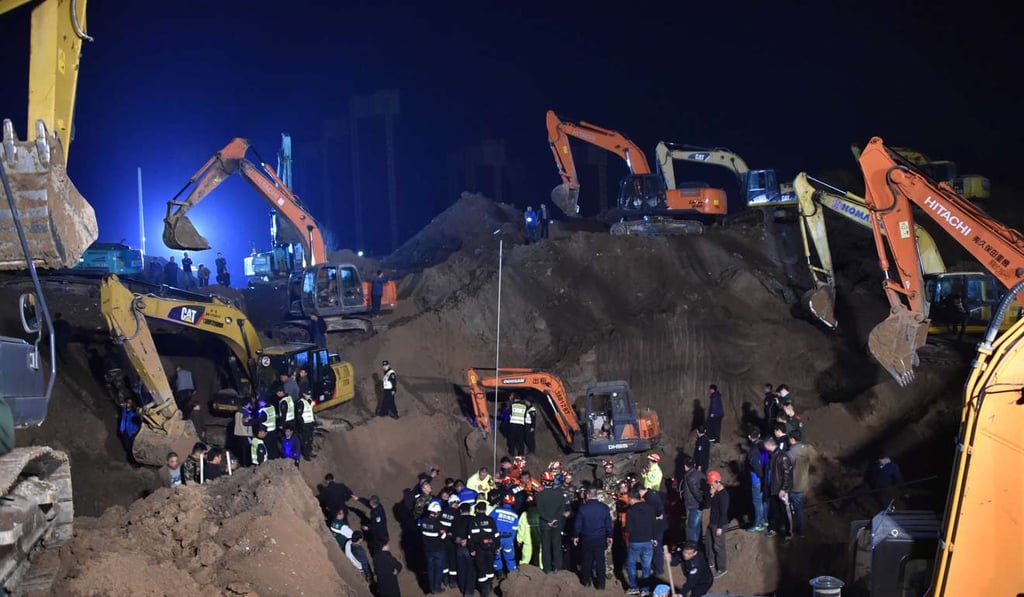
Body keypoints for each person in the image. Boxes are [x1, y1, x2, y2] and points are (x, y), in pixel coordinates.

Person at [836, 455, 906, 514]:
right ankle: (840, 511)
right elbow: (868, 471)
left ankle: (876, 524)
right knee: (853, 494)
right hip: (869, 485)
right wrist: (865, 480)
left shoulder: (893, 467)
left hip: (880, 490)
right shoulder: (875, 462)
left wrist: (903, 491)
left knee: (886, 507)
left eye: (882, 459)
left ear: (886, 460)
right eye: (879, 459)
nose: (879, 460)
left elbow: (898, 479)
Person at [574, 487, 613, 589]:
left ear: (587, 495)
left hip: (586, 538)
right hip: (600, 538)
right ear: (596, 495)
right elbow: (608, 524)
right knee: (600, 561)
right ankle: (601, 585)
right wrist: (609, 535)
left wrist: (576, 536)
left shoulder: (583, 508)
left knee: (587, 560)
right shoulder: (604, 508)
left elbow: (578, 525)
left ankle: (586, 582)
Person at [624, 489, 657, 595]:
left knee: (631, 564)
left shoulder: (630, 511)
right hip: (648, 540)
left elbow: (628, 529)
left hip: (635, 541)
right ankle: (645, 589)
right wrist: (655, 538)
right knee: (646, 566)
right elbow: (654, 525)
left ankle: (634, 587)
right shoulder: (650, 508)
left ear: (631, 498)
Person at [536, 471, 568, 572]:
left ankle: (547, 569)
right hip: (557, 523)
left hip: (545, 524)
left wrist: (549, 520)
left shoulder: (539, 495)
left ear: (543, 482)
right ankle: (557, 568)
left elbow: (540, 511)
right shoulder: (560, 494)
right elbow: (562, 509)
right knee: (557, 545)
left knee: (546, 547)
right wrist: (555, 519)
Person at [764, 436, 793, 539]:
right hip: (773, 489)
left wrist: (783, 489)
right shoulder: (771, 456)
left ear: (769, 445)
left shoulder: (783, 457)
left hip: (780, 490)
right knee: (774, 511)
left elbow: (787, 475)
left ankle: (788, 533)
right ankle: (774, 529)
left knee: (785, 511)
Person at [704, 470, 729, 578]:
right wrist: (711, 494)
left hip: (719, 524)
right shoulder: (716, 493)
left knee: (718, 546)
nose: (711, 486)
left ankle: (722, 569)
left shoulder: (723, 495)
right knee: (708, 544)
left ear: (716, 482)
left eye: (711, 484)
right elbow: (708, 505)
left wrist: (719, 527)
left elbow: (723, 512)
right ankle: (711, 564)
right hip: (712, 523)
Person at [471, 501, 499, 597]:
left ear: (477, 510)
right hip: (491, 548)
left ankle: (484, 592)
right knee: (490, 568)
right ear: (485, 510)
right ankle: (490, 586)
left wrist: (471, 550)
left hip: (479, 550)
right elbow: (496, 535)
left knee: (481, 570)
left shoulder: (473, 521)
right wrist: (497, 547)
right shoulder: (491, 520)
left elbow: (471, 537)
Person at [420, 501, 447, 594]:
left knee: (430, 569)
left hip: (427, 550)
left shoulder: (423, 522)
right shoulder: (438, 524)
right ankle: (437, 588)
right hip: (438, 550)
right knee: (438, 569)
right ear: (436, 512)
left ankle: (431, 588)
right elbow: (444, 537)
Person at [787, 429, 810, 537]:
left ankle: (791, 529)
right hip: (802, 482)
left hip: (793, 485)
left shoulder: (791, 453)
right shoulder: (805, 449)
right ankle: (801, 531)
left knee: (790, 509)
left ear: (792, 439)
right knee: (799, 509)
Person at [490, 494, 519, 578]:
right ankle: (512, 576)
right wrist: (511, 541)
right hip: (508, 539)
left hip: (496, 538)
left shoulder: (496, 510)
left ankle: (499, 575)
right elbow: (514, 529)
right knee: (510, 557)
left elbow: (490, 522)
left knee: (496, 556)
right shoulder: (515, 515)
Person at [745, 427, 768, 532]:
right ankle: (765, 520)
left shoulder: (752, 451)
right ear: (759, 435)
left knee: (757, 502)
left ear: (749, 437)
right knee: (764, 500)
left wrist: (760, 476)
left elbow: (756, 467)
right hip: (766, 478)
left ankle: (758, 523)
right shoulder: (765, 446)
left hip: (757, 480)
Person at [452, 503, 476, 596]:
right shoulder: (473, 519)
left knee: (461, 569)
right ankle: (469, 591)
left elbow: (452, 534)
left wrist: (459, 540)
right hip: (470, 548)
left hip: (459, 548)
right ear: (469, 510)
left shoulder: (455, 520)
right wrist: (468, 541)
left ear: (460, 511)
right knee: (471, 570)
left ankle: (462, 589)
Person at [679, 455, 704, 542]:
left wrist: (701, 502)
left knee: (691, 529)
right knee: (697, 528)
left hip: (693, 506)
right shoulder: (700, 474)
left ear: (686, 466)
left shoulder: (690, 477)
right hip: (698, 506)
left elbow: (695, 492)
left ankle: (692, 549)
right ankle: (697, 547)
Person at [440, 494, 461, 587]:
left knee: (444, 559)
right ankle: (452, 581)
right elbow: (457, 529)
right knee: (452, 560)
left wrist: (443, 535)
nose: (457, 504)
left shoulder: (442, 512)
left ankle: (445, 578)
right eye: (456, 502)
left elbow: (439, 526)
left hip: (442, 540)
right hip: (451, 541)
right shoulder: (457, 514)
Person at [118, 397, 141, 464]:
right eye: (127, 402)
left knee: (133, 448)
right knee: (127, 447)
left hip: (132, 433)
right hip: (125, 432)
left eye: (129, 403)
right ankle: (132, 461)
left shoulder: (134, 413)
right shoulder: (124, 411)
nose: (128, 404)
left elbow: (138, 422)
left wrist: (135, 431)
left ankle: (136, 462)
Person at [296, 390, 316, 460]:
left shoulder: (310, 401)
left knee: (310, 439)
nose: (309, 396)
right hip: (304, 425)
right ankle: (306, 454)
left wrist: (314, 421)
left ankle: (310, 451)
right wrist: (302, 424)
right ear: (304, 394)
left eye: (310, 395)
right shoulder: (300, 403)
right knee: (305, 440)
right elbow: (299, 415)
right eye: (307, 395)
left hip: (310, 424)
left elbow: (311, 412)